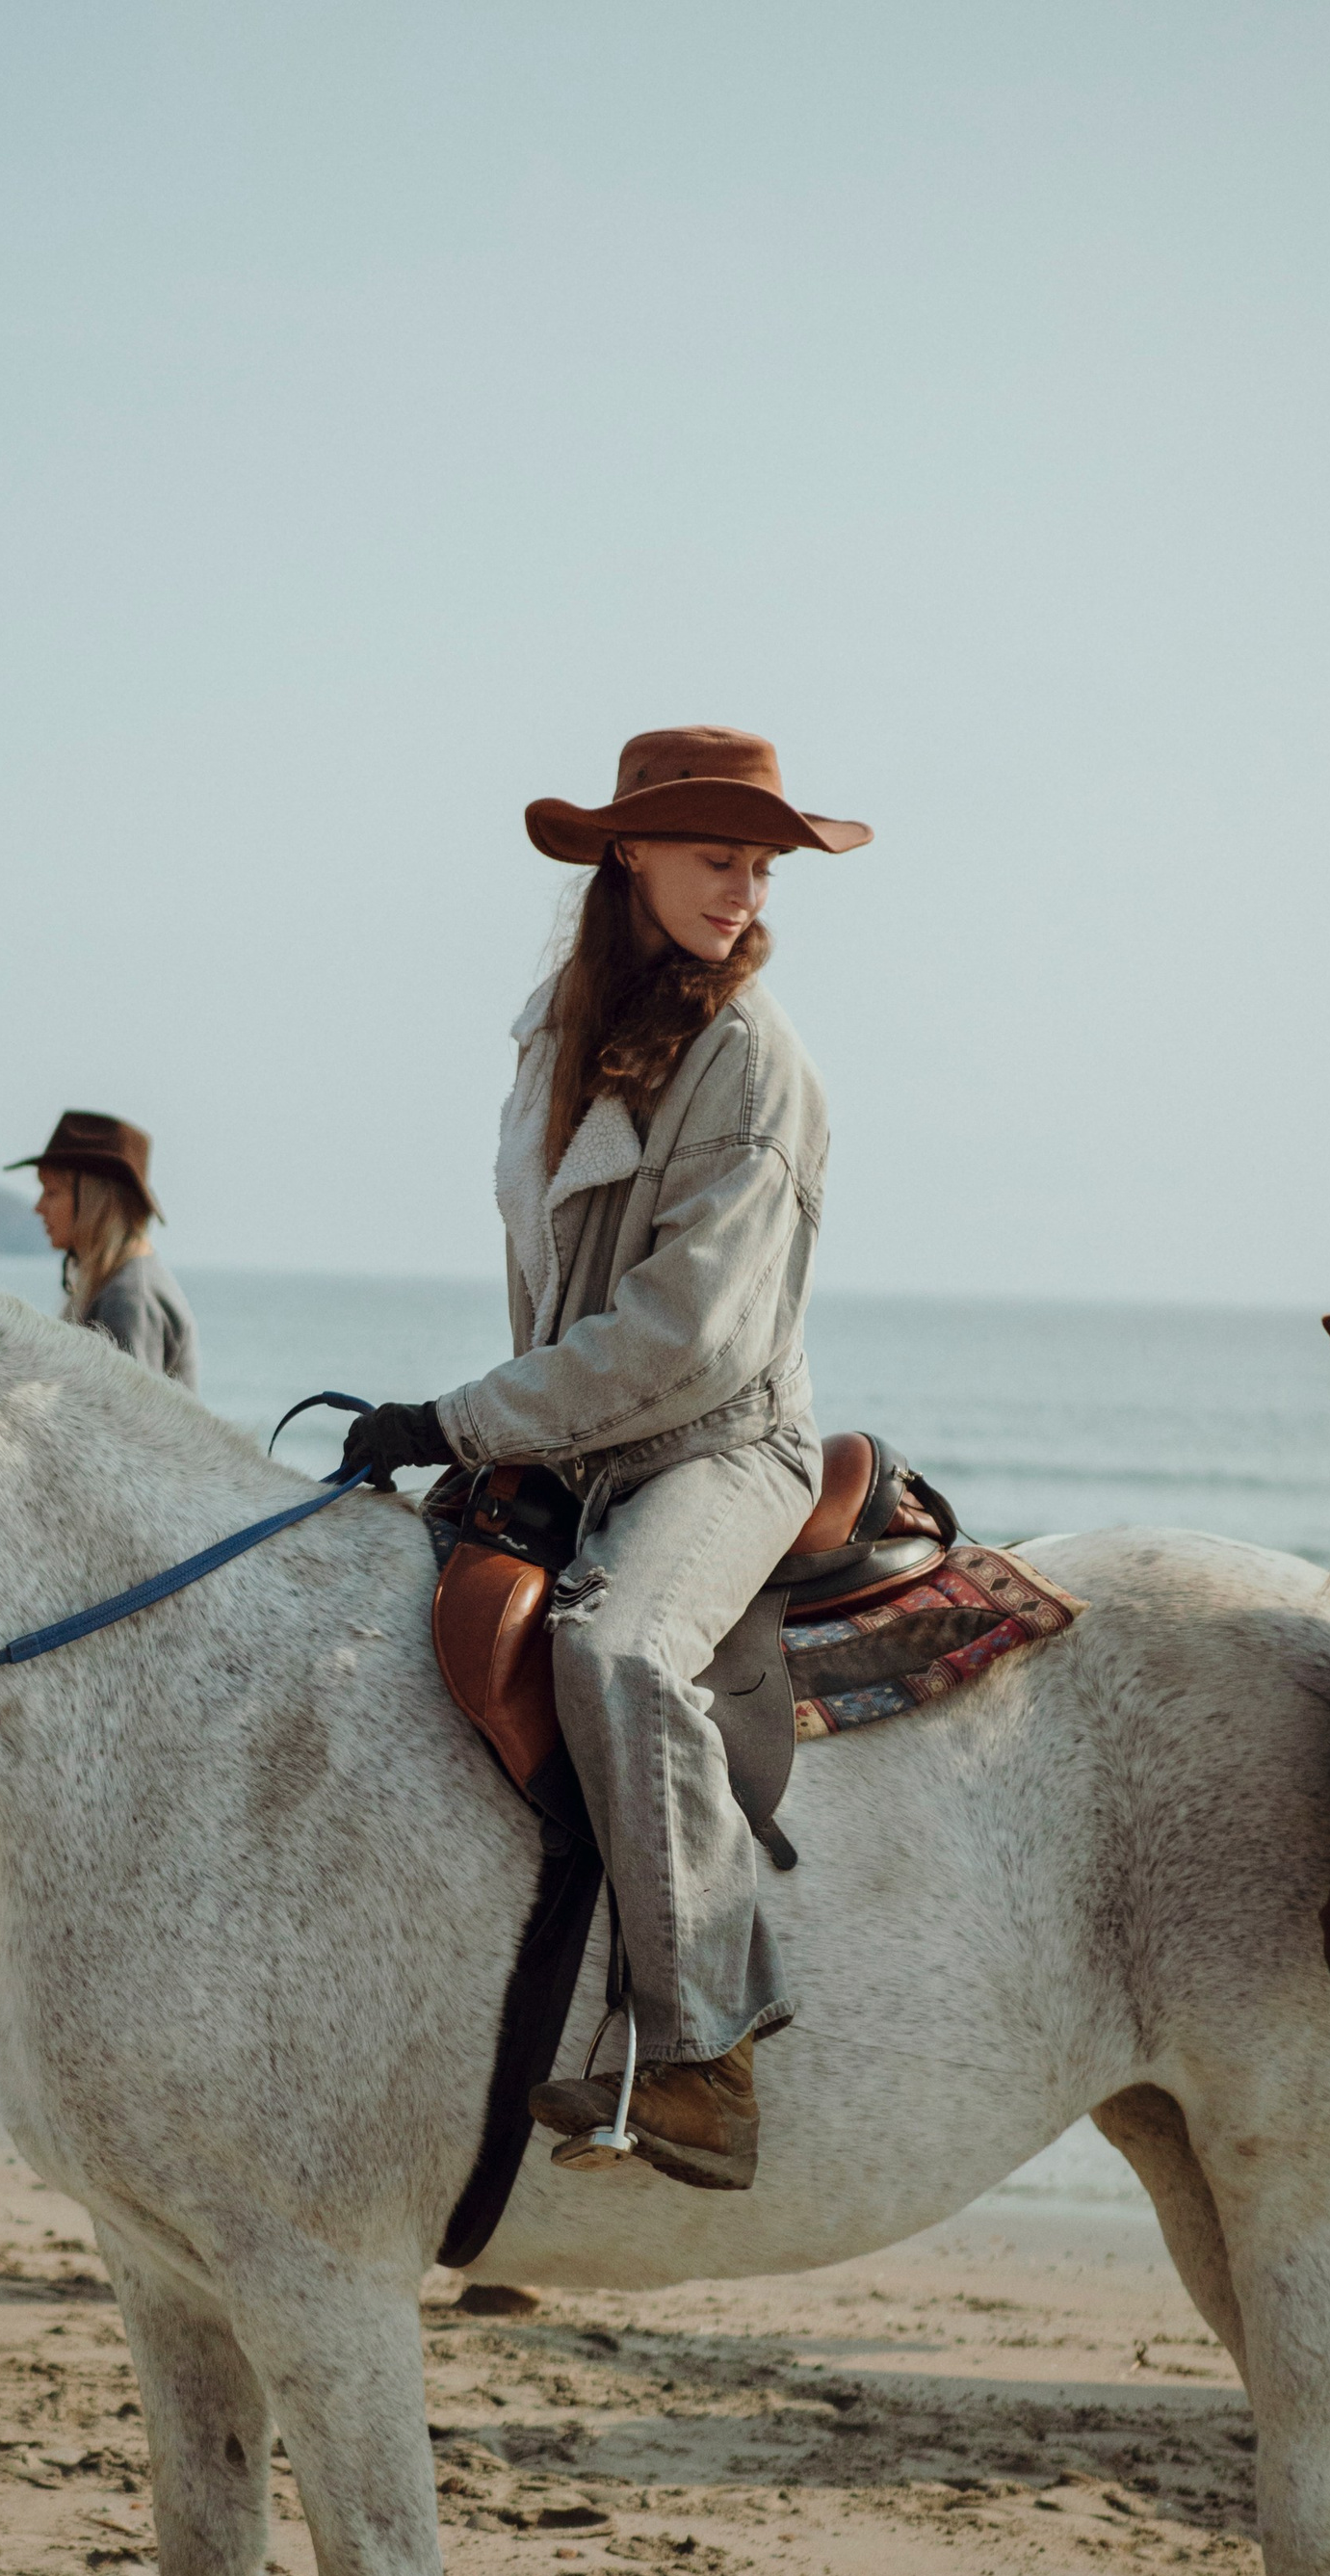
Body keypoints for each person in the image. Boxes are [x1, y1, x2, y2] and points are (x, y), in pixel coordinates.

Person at [342, 726, 871, 2191]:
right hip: (585, 1441)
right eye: (718, 859)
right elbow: (556, 1277)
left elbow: (683, 1337)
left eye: (761, 868)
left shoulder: (756, 1065)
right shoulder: (555, 1027)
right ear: (628, 853)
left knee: (617, 1647)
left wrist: (463, 1420)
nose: (744, 892)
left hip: (719, 1442)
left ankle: (704, 2055)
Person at [10, 1111, 198, 1388]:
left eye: (52, 1192)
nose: (39, 1207)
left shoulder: (129, 1298)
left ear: (94, 1201)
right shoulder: (118, 1283)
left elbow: (129, 1412)